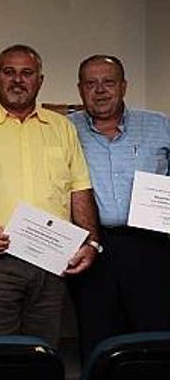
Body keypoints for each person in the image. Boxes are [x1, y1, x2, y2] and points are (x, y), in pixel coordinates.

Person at [0, 44, 100, 346]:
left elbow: (79, 187)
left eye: (27, 73)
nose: (17, 80)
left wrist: (91, 241)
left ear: (40, 81)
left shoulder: (63, 128)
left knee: (43, 349)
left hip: (53, 256)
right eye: (9, 72)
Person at [69, 55, 170, 361]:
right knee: (98, 337)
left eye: (108, 82)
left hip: (152, 247)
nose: (100, 90)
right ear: (80, 89)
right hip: (93, 248)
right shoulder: (64, 130)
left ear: (124, 86)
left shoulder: (159, 124)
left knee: (154, 335)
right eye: (91, 83)